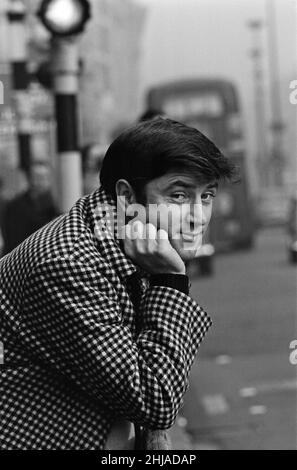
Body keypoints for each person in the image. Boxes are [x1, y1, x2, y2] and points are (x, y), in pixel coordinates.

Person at [0, 118, 236, 450]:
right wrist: (170, 282)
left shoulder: (117, 238)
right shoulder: (68, 264)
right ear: (126, 197)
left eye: (207, 195)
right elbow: (156, 402)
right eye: (179, 195)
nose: (198, 216)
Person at [1, 160, 59, 255]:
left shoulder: (55, 205)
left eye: (46, 177)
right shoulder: (16, 206)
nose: (42, 182)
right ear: (29, 179)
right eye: (38, 178)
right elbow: (13, 242)